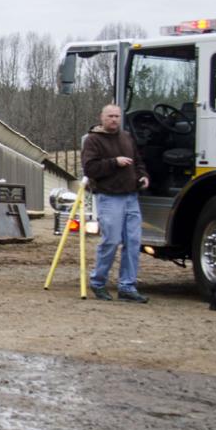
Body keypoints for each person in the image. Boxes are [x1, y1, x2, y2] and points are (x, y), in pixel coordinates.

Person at [82, 104, 150, 303]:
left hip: (131, 197)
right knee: (110, 241)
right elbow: (90, 169)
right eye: (110, 116)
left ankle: (127, 286)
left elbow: (138, 161)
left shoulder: (126, 137)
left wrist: (143, 176)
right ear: (101, 118)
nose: (114, 119)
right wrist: (114, 162)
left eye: (117, 116)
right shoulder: (93, 140)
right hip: (109, 197)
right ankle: (98, 282)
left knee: (133, 243)